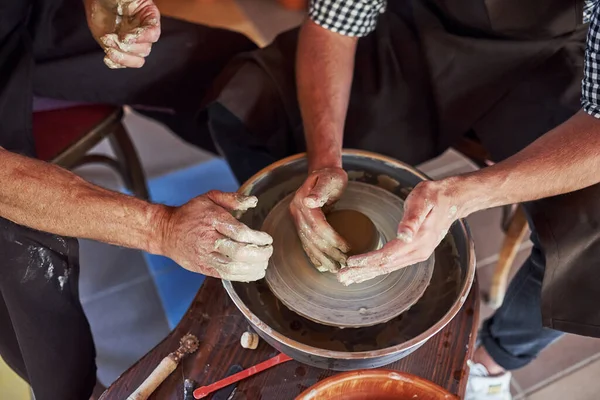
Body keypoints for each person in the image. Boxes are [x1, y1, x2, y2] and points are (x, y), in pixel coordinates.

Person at [204, 0, 600, 399]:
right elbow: (332, 24)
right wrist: (323, 161)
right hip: (429, 29)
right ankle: (281, 254)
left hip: (553, 57)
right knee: (249, 99)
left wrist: (467, 195)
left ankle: (489, 363)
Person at [0, 0, 274, 399]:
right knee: (23, 253)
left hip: (26, 18)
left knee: (238, 67)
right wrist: (160, 227)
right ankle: (79, 392)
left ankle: (285, 211)